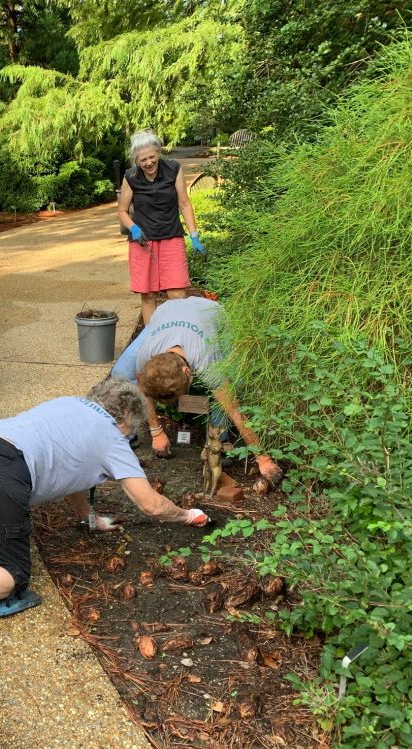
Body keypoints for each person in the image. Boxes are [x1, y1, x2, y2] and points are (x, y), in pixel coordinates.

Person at [0, 378, 209, 673]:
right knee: (10, 571)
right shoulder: (112, 436)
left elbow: (73, 473)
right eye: (132, 429)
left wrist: (88, 518)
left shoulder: (69, 404)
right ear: (124, 419)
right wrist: (186, 515)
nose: (131, 435)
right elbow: (149, 503)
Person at [111, 295, 283, 487]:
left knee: (234, 383)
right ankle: (126, 433)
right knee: (120, 372)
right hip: (167, 311)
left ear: (188, 370)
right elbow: (144, 389)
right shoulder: (146, 356)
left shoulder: (206, 361)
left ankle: (218, 437)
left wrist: (263, 459)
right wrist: (156, 431)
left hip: (210, 313)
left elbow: (234, 410)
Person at [117, 130, 205, 326]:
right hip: (142, 242)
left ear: (158, 152)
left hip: (171, 237)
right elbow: (122, 210)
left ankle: (178, 337)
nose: (148, 163)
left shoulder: (173, 169)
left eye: (152, 157)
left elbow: (184, 203)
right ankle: (152, 339)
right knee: (147, 294)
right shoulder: (131, 176)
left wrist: (194, 235)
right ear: (136, 160)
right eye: (143, 160)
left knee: (177, 292)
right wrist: (134, 228)